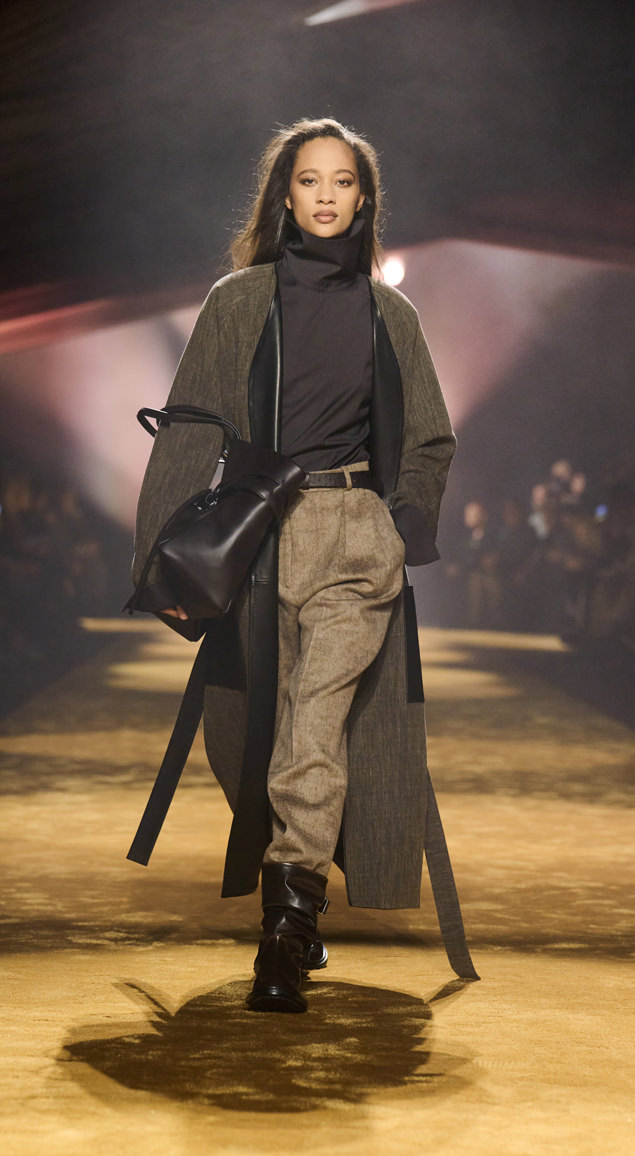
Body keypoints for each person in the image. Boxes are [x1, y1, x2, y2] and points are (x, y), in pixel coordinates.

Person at [131, 117, 477, 1012]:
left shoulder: (390, 313)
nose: (326, 195)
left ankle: (283, 937)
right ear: (284, 195)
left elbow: (430, 437)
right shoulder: (239, 301)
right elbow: (192, 423)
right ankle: (299, 898)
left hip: (355, 536)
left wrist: (400, 526)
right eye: (310, 179)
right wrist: (161, 558)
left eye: (343, 181)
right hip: (260, 539)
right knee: (252, 734)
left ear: (364, 200)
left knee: (313, 728)